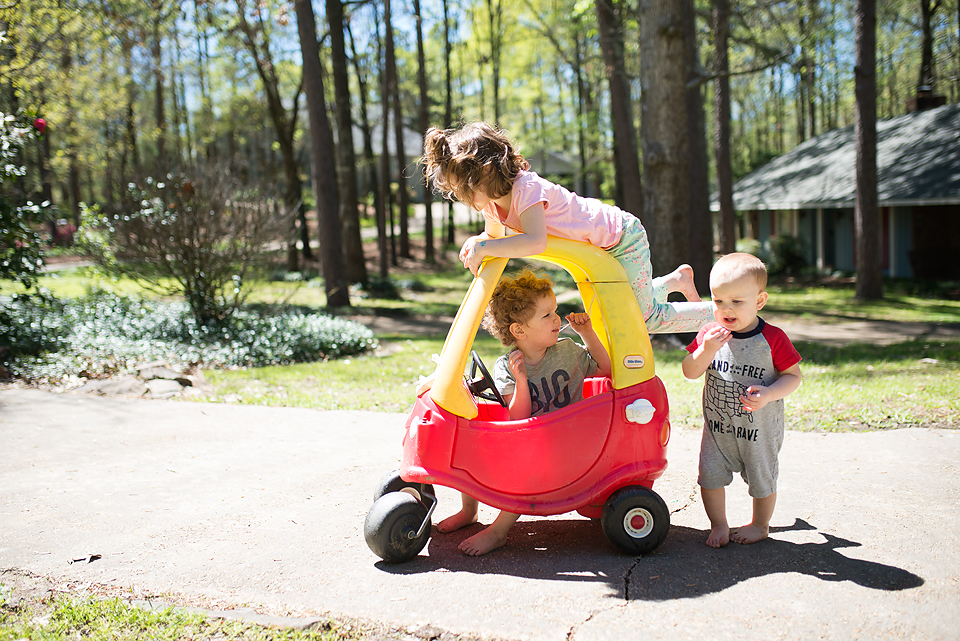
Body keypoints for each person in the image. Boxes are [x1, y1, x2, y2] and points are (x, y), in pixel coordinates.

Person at [421, 121, 714, 334]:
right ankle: (675, 281)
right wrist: (477, 242)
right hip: (599, 248)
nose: (462, 198)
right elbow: (494, 237)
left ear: (486, 171)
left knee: (643, 319)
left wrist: (486, 247)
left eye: (463, 188)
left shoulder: (527, 189)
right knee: (613, 311)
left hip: (622, 237)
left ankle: (721, 312)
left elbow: (535, 241)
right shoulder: (491, 203)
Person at [437, 269, 612, 555]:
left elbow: (605, 369)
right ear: (519, 330)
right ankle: (469, 511)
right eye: (547, 315)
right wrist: (521, 380)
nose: (557, 319)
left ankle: (499, 531)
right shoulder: (507, 366)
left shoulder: (568, 350)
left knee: (528, 463)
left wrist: (587, 333)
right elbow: (519, 417)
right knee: (471, 447)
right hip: (533, 436)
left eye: (555, 311)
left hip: (570, 440)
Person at [681, 253, 803, 548]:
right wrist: (706, 350)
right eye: (719, 301)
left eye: (737, 302)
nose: (726, 309)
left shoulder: (773, 338)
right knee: (709, 479)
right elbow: (689, 371)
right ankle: (719, 524)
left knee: (761, 480)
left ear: (759, 301)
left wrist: (771, 393)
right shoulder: (710, 333)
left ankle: (760, 525)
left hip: (758, 432)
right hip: (718, 431)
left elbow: (794, 376)